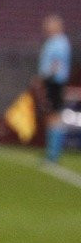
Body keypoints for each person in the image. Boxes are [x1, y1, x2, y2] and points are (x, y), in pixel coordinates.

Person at [39, 14, 70, 163]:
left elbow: (56, 64)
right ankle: (52, 152)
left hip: (55, 82)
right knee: (51, 115)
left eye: (48, 25)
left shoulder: (59, 42)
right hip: (52, 82)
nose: (45, 28)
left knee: (54, 116)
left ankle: (53, 153)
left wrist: (46, 77)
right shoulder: (53, 41)